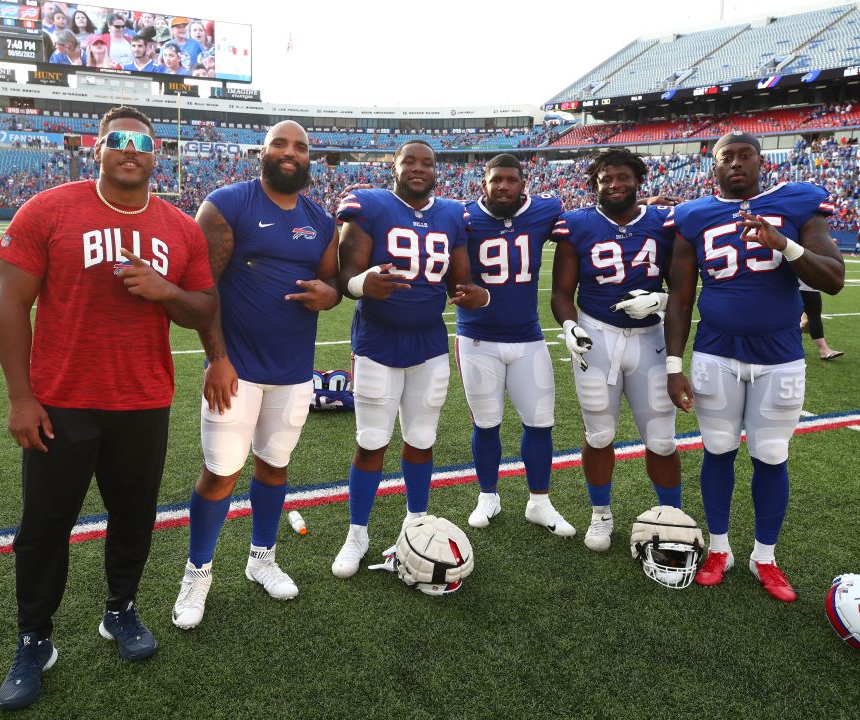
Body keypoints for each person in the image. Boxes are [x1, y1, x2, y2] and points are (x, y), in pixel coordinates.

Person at [0, 106, 218, 710]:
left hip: (142, 399)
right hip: (62, 401)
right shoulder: (48, 209)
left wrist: (167, 290)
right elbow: (10, 304)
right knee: (43, 527)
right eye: (118, 139)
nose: (130, 149)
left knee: (134, 518)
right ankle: (35, 638)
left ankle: (119, 610)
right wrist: (20, 397)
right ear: (98, 147)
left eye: (143, 141)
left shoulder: (180, 228)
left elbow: (202, 309)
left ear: (156, 154)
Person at [171, 121, 341, 629]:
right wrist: (217, 358)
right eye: (281, 145)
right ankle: (197, 573)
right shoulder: (228, 203)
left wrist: (330, 295)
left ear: (310, 158)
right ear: (263, 152)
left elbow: (331, 281)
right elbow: (202, 288)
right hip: (236, 369)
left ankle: (260, 557)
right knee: (221, 472)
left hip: (292, 372)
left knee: (274, 464)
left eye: (301, 147)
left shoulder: (320, 219)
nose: (291, 154)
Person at [662, 131, 844, 603]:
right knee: (717, 447)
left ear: (762, 162)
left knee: (771, 454)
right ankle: (719, 548)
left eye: (745, 156)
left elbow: (834, 279)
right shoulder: (693, 215)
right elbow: (681, 299)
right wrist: (673, 366)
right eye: (727, 157)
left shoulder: (800, 202)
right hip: (715, 353)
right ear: (714, 167)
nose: (736, 163)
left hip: (780, 357)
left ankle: (764, 556)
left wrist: (785, 244)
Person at [331, 140, 488, 578]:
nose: (419, 168)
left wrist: (477, 293)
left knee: (421, 439)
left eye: (428, 162)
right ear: (395, 167)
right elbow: (346, 277)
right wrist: (365, 284)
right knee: (371, 440)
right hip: (378, 343)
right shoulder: (371, 204)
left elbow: (462, 281)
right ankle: (357, 532)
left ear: (437, 170)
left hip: (428, 345)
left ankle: (415, 523)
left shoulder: (452, 214)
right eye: (410, 161)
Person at [550, 149, 682, 552]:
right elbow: (560, 292)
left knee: (662, 439)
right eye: (606, 179)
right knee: (600, 433)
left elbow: (683, 287)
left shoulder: (664, 223)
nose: (614, 185)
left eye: (622, 177)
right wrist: (571, 326)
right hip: (597, 336)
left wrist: (659, 301)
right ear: (595, 183)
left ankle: (671, 516)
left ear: (638, 179)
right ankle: (600, 514)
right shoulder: (576, 224)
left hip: (650, 339)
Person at [454, 154, 576, 538]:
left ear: (523, 184)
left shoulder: (547, 209)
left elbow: (583, 223)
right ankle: (488, 495)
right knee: (486, 422)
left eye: (510, 180)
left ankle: (539, 501)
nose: (503, 186)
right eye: (496, 180)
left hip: (528, 337)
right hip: (477, 338)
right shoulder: (464, 218)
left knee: (540, 422)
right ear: (483, 184)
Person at [800, 282, 843, 359]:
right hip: (805, 286)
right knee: (814, 315)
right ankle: (824, 350)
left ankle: (823, 350)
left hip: (805, 286)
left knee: (812, 315)